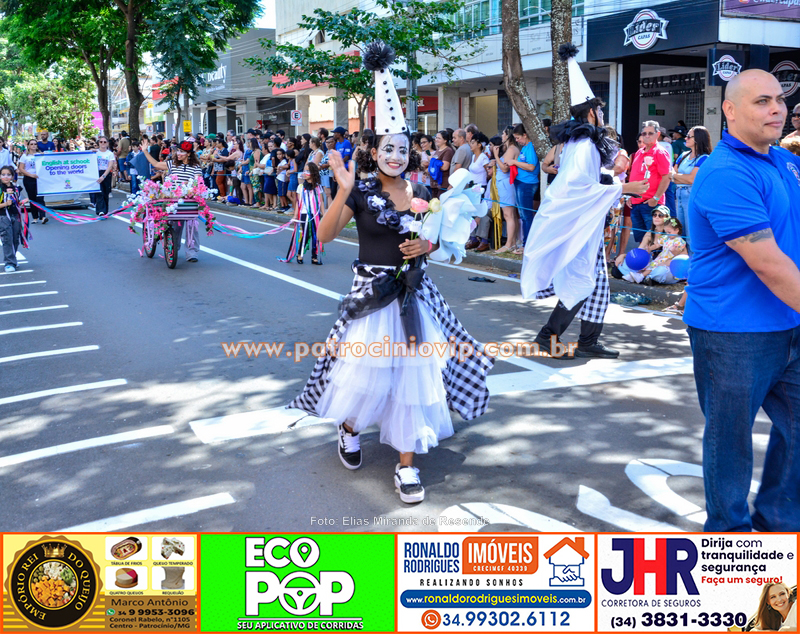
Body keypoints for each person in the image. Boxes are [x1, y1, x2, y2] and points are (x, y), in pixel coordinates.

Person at [290, 42, 494, 504]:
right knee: (367, 375)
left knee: (412, 378)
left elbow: (439, 238)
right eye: (388, 148)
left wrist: (428, 245)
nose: (396, 156)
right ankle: (348, 428)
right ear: (374, 150)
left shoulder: (424, 192)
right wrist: (342, 189)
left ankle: (406, 466)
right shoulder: (359, 191)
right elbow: (322, 237)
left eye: (403, 148)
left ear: (410, 152)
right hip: (371, 296)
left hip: (414, 296)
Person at [686, 68, 800, 532]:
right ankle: (728, 537)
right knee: (729, 442)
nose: (777, 108)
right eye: (762, 101)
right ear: (730, 111)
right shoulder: (725, 173)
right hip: (732, 334)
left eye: (779, 99)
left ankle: (778, 521)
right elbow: (768, 264)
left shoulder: (784, 162)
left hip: (788, 323)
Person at [521, 43, 648, 360]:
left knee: (597, 284)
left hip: (585, 224)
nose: (603, 115)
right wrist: (623, 186)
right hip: (579, 225)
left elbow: (587, 180)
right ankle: (547, 337)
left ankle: (589, 340)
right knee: (581, 281)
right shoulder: (585, 145)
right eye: (600, 110)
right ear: (591, 113)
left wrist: (611, 181)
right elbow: (578, 184)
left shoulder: (583, 142)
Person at [141, 139, 204, 263]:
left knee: (192, 225)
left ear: (189, 154)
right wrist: (145, 151)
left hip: (189, 199)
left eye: (182, 152)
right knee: (175, 224)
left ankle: (192, 252)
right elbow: (157, 165)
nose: (178, 154)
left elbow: (198, 181)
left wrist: (190, 184)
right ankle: (173, 247)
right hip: (173, 198)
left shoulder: (196, 167)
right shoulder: (172, 164)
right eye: (178, 151)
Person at [628, 120, 671, 243]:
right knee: (641, 241)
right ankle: (644, 262)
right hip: (636, 202)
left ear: (658, 134)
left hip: (651, 204)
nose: (647, 136)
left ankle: (656, 262)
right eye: (644, 133)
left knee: (655, 241)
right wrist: (629, 196)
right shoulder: (639, 152)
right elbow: (634, 176)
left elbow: (666, 176)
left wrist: (656, 198)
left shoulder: (660, 152)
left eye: (650, 133)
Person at [670, 126, 712, 242]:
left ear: (698, 138)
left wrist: (676, 176)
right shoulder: (683, 155)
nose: (686, 138)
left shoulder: (704, 158)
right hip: (678, 195)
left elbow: (692, 179)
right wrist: (678, 177)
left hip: (692, 196)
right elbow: (673, 176)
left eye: (689, 136)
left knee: (691, 234)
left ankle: (692, 259)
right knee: (680, 233)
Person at [282, 162, 324, 265]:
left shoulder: (318, 187)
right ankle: (299, 254)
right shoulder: (301, 187)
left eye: (308, 171)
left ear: (313, 173)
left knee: (316, 235)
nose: (305, 173)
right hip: (305, 214)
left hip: (316, 214)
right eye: (304, 171)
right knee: (306, 234)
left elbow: (321, 201)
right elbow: (298, 202)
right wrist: (296, 215)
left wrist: (324, 214)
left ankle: (314, 256)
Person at [488, 129, 520, 253]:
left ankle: (509, 244)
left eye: (503, 133)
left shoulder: (511, 149)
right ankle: (513, 242)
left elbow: (505, 168)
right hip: (505, 183)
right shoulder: (510, 149)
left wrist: (496, 156)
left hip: (506, 183)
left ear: (508, 136)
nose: (502, 136)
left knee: (509, 215)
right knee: (510, 215)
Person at [508, 123, 540, 245]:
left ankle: (528, 243)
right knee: (523, 215)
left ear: (525, 135)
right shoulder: (525, 147)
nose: (517, 141)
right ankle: (525, 242)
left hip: (527, 183)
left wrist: (514, 162)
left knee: (526, 215)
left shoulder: (531, 147)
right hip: (521, 182)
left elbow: (531, 167)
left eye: (518, 138)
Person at [0, 166, 29, 272]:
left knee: (15, 238)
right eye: (3, 174)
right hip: (3, 216)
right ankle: (9, 262)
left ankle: (13, 259)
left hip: (15, 215)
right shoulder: (0, 189)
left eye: (8, 175)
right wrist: (5, 204)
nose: (6, 177)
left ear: (12, 176)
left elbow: (18, 201)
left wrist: (21, 202)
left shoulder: (16, 188)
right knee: (7, 238)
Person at [17, 139, 46, 224]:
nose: (33, 145)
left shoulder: (40, 155)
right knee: (32, 198)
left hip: (39, 179)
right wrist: (30, 175)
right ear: (28, 146)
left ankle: (43, 216)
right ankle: (35, 217)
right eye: (31, 144)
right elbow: (21, 168)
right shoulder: (24, 156)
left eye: (35, 144)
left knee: (40, 197)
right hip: (29, 179)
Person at [92, 136, 115, 216]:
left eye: (104, 142)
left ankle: (105, 211)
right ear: (98, 143)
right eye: (101, 142)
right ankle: (100, 210)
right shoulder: (95, 153)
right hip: (97, 173)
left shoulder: (110, 154)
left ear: (107, 143)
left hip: (106, 174)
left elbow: (110, 166)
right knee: (99, 192)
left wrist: (104, 176)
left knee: (105, 192)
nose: (103, 143)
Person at [430, 129, 454, 199]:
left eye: (439, 138)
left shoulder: (448, 150)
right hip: (434, 184)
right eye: (436, 138)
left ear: (445, 140)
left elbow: (445, 167)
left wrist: (434, 165)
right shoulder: (437, 150)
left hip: (443, 184)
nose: (436, 140)